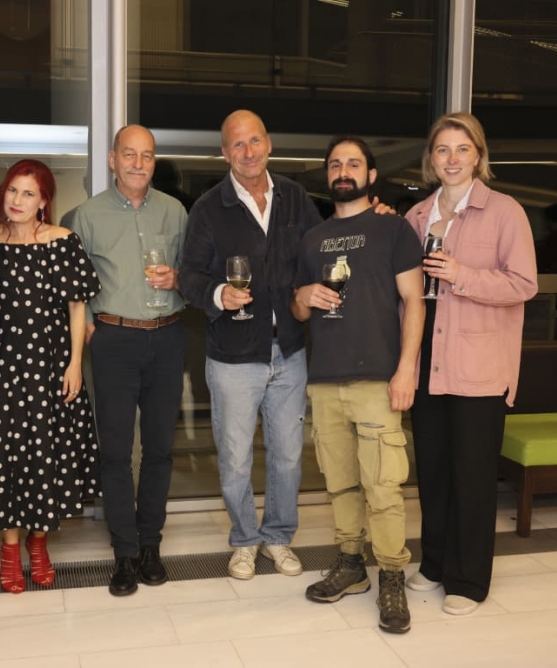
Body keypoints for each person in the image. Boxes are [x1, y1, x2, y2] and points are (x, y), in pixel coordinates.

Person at [179, 110, 324, 580]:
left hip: (291, 351)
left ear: (268, 144)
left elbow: (323, 249)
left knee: (288, 456)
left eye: (255, 141)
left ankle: (278, 535)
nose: (248, 152)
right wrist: (218, 294)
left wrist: (371, 217)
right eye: (237, 144)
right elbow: (189, 277)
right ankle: (244, 539)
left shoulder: (295, 197)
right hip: (233, 356)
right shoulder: (208, 208)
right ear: (225, 153)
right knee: (236, 458)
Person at [405, 111, 538, 616]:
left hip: (479, 363)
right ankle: (436, 562)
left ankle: (467, 580)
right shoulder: (417, 215)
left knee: (473, 475)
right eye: (443, 149)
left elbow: (523, 284)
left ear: (479, 156)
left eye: (463, 149)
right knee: (434, 470)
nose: (452, 158)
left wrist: (461, 274)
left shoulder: (504, 212)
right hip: (428, 359)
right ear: (431, 158)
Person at [291, 136, 424, 634]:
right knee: (340, 483)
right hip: (325, 379)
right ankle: (350, 564)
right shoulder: (313, 237)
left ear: (370, 175)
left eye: (353, 163)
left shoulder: (394, 229)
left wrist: (406, 369)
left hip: (377, 379)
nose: (342, 171)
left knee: (383, 486)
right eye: (334, 164)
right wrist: (303, 296)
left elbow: (415, 302)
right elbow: (298, 309)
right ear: (327, 175)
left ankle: (391, 574)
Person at [0, 159, 102, 593]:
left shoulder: (61, 241)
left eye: (28, 193)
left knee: (46, 456)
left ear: (43, 201)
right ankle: (9, 549)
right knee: (5, 458)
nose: (18, 200)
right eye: (12, 190)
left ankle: (38, 543)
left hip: (50, 368)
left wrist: (75, 363)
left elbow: (77, 307)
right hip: (0, 371)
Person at [65, 125, 188, 597]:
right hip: (114, 339)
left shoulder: (175, 212)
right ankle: (124, 551)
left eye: (147, 156)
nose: (138, 163)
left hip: (168, 335)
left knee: (159, 449)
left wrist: (178, 278)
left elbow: (195, 272)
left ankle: (150, 544)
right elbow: (71, 286)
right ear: (112, 159)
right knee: (115, 452)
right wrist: (88, 325)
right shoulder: (86, 216)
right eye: (130, 154)